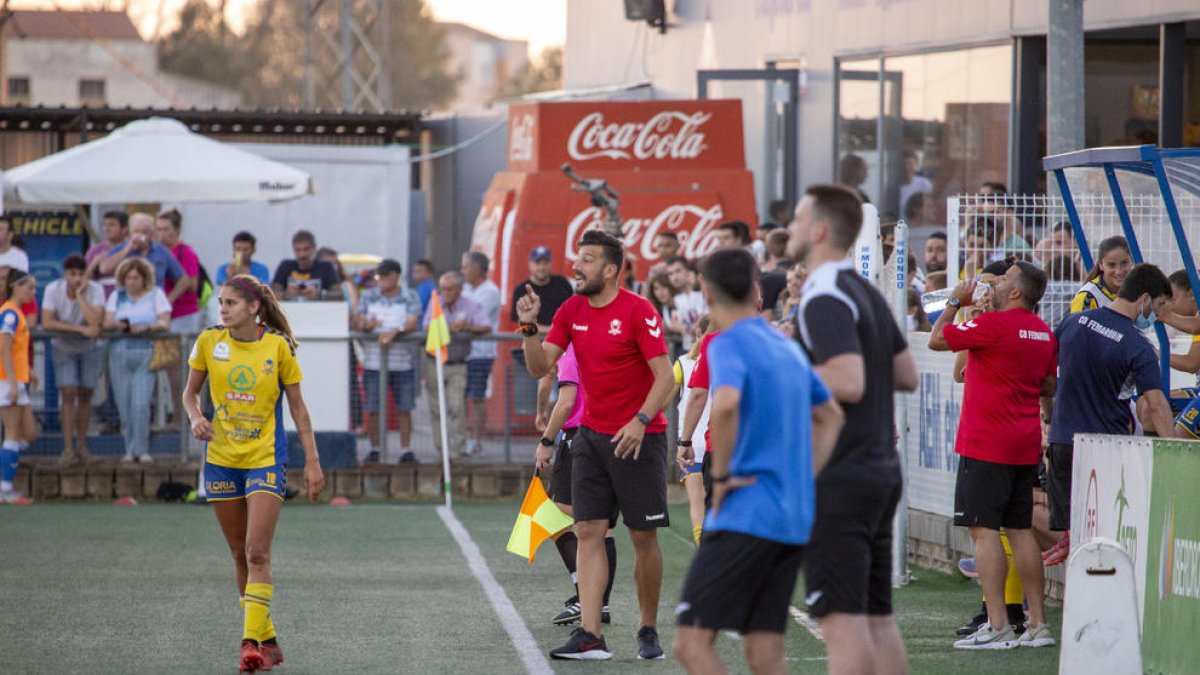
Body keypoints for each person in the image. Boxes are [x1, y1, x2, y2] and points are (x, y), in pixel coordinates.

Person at [673, 248, 844, 675]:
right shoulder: (784, 345)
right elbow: (831, 416)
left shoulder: (726, 342)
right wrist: (807, 474)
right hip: (791, 514)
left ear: (707, 293)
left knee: (692, 643)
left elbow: (725, 402)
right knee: (764, 647)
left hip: (746, 512)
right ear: (755, 292)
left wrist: (723, 475)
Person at [517, 228, 675, 661]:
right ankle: (590, 635)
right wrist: (529, 326)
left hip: (641, 439)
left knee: (643, 536)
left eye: (586, 259)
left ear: (610, 269)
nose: (575, 265)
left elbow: (666, 378)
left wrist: (641, 422)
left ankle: (647, 628)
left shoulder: (639, 311)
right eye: (577, 258)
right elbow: (539, 367)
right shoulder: (570, 309)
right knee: (588, 531)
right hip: (589, 437)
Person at [789, 184, 919, 675]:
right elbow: (905, 374)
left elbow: (847, 379)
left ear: (820, 230)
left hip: (841, 473)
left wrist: (780, 371)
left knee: (842, 623)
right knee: (877, 619)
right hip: (879, 468)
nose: (792, 229)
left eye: (800, 220)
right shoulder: (864, 290)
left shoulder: (824, 294)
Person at [182, 274, 325, 675]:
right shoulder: (209, 342)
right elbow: (190, 393)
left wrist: (312, 462)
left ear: (253, 307)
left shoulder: (277, 347)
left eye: (230, 303)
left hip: (265, 459)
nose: (223, 309)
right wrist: (196, 418)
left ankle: (250, 644)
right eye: (221, 303)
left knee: (257, 551)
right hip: (222, 459)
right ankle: (269, 638)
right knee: (237, 554)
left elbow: (298, 410)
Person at [928, 263, 1059, 649]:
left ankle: (998, 623)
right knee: (1019, 531)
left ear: (1017, 291)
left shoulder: (993, 325)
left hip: (986, 441)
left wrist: (955, 301)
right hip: (1023, 441)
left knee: (983, 530)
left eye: (1003, 279)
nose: (995, 284)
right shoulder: (1044, 332)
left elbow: (936, 339)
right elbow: (1048, 383)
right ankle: (1038, 624)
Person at [1047, 264, 1181, 559]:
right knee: (1103, 537)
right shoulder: (1137, 345)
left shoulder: (1073, 322)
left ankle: (1076, 599)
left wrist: (1048, 416)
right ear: (1144, 299)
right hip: (1103, 448)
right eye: (1157, 308)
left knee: (1074, 536)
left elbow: (1045, 375)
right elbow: (1156, 403)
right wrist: (1178, 450)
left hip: (1061, 442)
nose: (1155, 317)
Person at [536, 343, 619, 627]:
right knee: (603, 524)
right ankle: (599, 603)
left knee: (553, 516)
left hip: (580, 437)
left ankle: (587, 597)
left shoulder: (574, 350)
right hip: (609, 433)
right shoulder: (606, 346)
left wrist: (546, 440)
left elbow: (566, 401)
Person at [103, 258, 171, 463]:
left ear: (144, 279)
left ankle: (142, 449)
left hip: (145, 351)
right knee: (124, 405)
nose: (132, 282)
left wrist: (146, 327)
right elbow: (106, 322)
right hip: (119, 352)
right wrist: (119, 325)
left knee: (140, 404)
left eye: (136, 277)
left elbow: (164, 321)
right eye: (128, 278)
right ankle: (129, 449)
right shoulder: (117, 296)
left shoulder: (156, 294)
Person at [355, 259, 421, 464]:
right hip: (374, 363)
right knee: (373, 408)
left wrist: (396, 331)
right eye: (379, 276)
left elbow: (413, 321)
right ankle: (375, 449)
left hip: (403, 363)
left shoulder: (409, 296)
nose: (381, 280)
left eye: (384, 276)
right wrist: (367, 324)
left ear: (395, 276)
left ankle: (405, 450)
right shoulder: (370, 295)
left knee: (404, 408)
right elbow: (358, 321)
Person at [42, 254, 105, 466]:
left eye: (80, 274)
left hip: (90, 348)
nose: (76, 278)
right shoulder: (53, 289)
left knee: (86, 393)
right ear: (65, 274)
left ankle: (82, 446)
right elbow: (48, 322)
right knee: (68, 393)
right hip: (63, 346)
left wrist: (80, 296)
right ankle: (68, 448)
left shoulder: (95, 290)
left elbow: (96, 322)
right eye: (72, 274)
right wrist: (79, 329)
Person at [422, 271, 489, 460]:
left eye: (450, 289)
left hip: (458, 363)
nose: (446, 292)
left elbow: (485, 326)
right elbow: (426, 326)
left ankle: (457, 450)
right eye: (443, 289)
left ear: (459, 290)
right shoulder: (435, 302)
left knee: (457, 406)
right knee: (436, 408)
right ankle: (441, 450)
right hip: (434, 362)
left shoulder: (471, 305)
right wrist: (450, 328)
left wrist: (468, 326)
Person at [155, 209, 202, 430]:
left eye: (166, 229)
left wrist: (167, 300)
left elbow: (192, 283)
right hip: (162, 318)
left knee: (181, 370)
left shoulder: (186, 253)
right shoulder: (155, 252)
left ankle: (182, 418)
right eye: (159, 229)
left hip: (183, 315)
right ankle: (170, 415)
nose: (162, 234)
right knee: (166, 368)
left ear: (177, 230)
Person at [672, 317, 713, 546]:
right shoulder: (727, 353)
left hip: (691, 442)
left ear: (697, 333)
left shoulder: (682, 363)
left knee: (697, 503)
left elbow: (664, 398)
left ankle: (703, 551)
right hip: (717, 439)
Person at [0, 270, 37, 505]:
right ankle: (5, 488)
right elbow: (4, 349)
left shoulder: (17, 314)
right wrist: (13, 383)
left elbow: (16, 350)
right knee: (13, 432)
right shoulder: (10, 314)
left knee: (29, 433)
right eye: (29, 288)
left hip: (18, 379)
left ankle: (6, 470)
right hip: (6, 380)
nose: (32, 293)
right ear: (16, 287)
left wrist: (29, 372)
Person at [461, 252, 501, 457]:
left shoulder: (490, 292)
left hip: (481, 354)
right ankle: (460, 437)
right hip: (462, 352)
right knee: (459, 397)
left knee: (477, 397)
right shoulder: (465, 289)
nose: (462, 270)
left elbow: (472, 320)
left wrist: (462, 323)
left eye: (466, 267)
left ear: (477, 269)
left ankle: (476, 441)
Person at [97, 213, 185, 291]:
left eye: (144, 232)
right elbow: (104, 269)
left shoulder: (161, 251)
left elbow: (182, 279)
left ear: (151, 233)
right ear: (130, 232)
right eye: (136, 231)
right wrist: (127, 249)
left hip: (153, 303)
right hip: (127, 302)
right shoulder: (121, 248)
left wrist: (169, 300)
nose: (140, 235)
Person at [509, 246, 573, 334]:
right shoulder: (521, 290)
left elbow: (573, 314)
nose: (542, 268)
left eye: (545, 263)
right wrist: (554, 330)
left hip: (563, 343)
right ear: (530, 264)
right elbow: (522, 324)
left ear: (551, 264)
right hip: (534, 342)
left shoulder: (562, 283)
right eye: (537, 263)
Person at [271, 230, 342, 302]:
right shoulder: (285, 266)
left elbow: (339, 295)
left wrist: (319, 295)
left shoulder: (326, 267)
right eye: (298, 250)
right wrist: (286, 294)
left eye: (306, 249)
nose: (302, 255)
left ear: (314, 248)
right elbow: (271, 295)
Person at [1069, 235, 1132, 313]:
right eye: (1111, 265)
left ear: (1131, 261)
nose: (1118, 271)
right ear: (1101, 265)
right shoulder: (1088, 297)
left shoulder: (1140, 292)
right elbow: (1076, 325)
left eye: (1124, 263)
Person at [86, 210, 129, 297]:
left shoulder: (132, 248)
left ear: (125, 230)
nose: (107, 229)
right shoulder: (95, 250)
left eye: (111, 225)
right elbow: (84, 279)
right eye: (105, 225)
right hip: (101, 299)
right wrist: (94, 264)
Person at [897, 148, 933, 220]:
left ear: (916, 165)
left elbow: (930, 207)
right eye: (904, 164)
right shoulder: (893, 187)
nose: (907, 167)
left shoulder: (924, 184)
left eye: (910, 163)